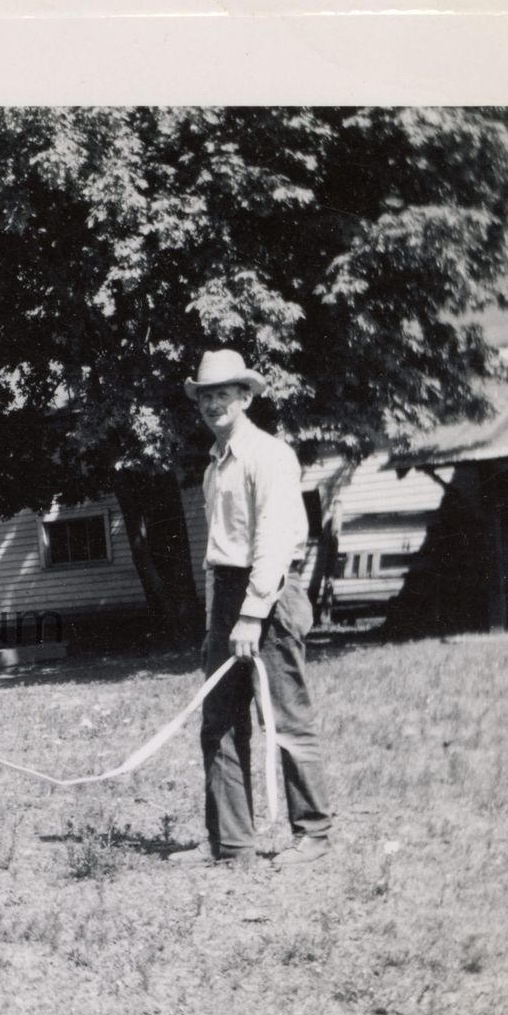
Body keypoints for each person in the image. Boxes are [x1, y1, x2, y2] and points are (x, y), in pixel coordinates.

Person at [166, 349, 335, 867]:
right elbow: (218, 551)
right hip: (227, 595)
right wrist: (218, 617)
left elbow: (275, 541)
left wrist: (252, 613)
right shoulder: (214, 467)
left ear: (245, 397)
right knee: (219, 721)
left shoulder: (269, 455)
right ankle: (230, 843)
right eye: (205, 396)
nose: (213, 404)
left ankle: (313, 834)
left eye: (223, 394)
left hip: (269, 595)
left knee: (285, 719)